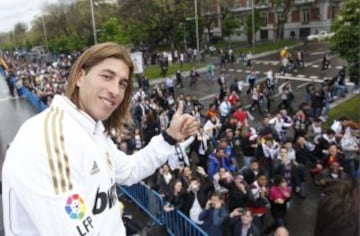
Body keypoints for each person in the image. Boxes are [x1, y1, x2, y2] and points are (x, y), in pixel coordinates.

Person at [2, 42, 199, 236]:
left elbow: (130, 170)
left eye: (122, 83)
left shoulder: (92, 131)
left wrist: (170, 137)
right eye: (106, 76)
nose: (115, 91)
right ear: (80, 76)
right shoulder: (48, 139)